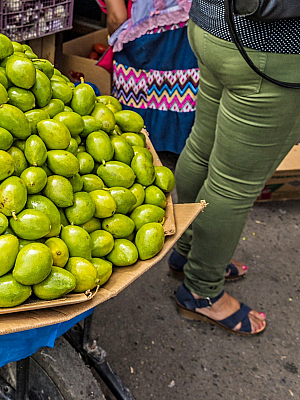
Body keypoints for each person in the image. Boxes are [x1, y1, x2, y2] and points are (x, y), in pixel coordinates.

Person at [171, 0, 300, 335]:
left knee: (201, 149)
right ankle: (202, 291)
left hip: (211, 28)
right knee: (233, 185)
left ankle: (184, 251)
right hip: (271, 52)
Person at [101, 0, 199, 154]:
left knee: (138, 98)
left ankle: (139, 145)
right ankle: (178, 145)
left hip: (145, 39)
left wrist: (116, 36)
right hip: (185, 32)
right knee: (179, 89)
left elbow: (116, 18)